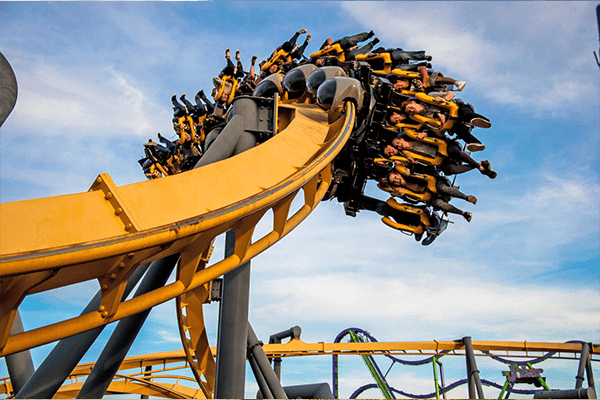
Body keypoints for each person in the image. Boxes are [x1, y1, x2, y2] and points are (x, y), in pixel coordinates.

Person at [384, 169, 475, 222]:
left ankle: (467, 197)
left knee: (443, 189)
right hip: (430, 197)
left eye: (395, 178)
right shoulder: (402, 191)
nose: (396, 180)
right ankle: (464, 213)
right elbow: (414, 201)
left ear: (398, 174)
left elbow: (423, 172)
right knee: (439, 204)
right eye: (394, 181)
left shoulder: (409, 173)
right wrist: (403, 196)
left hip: (435, 185)